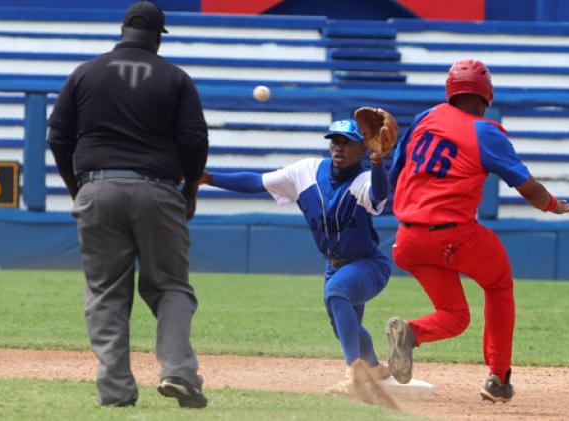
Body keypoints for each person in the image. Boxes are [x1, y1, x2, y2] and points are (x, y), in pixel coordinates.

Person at [385, 59, 569, 403]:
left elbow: (396, 173)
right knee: (499, 282)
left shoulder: (426, 118)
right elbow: (529, 190)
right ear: (487, 95)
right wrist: (554, 205)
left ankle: (410, 333)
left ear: (450, 91)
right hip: (452, 234)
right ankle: (499, 378)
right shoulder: (485, 131)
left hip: (408, 239)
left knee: (455, 316)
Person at [47, 1, 209, 408]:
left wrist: (77, 188)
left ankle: (116, 391)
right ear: (157, 37)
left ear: (123, 32)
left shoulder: (85, 73)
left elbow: (58, 137)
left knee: (106, 293)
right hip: (158, 191)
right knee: (171, 286)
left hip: (96, 187)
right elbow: (194, 141)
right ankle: (178, 372)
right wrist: (189, 191)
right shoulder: (176, 78)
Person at [199, 118, 392, 392]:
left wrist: (377, 164)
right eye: (335, 141)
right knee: (344, 327)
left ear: (362, 149)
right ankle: (374, 367)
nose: (339, 147)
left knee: (337, 293)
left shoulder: (364, 180)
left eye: (347, 143)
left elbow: (378, 193)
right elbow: (257, 182)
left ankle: (354, 373)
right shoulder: (307, 171)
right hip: (334, 265)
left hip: (368, 264)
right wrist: (209, 179)